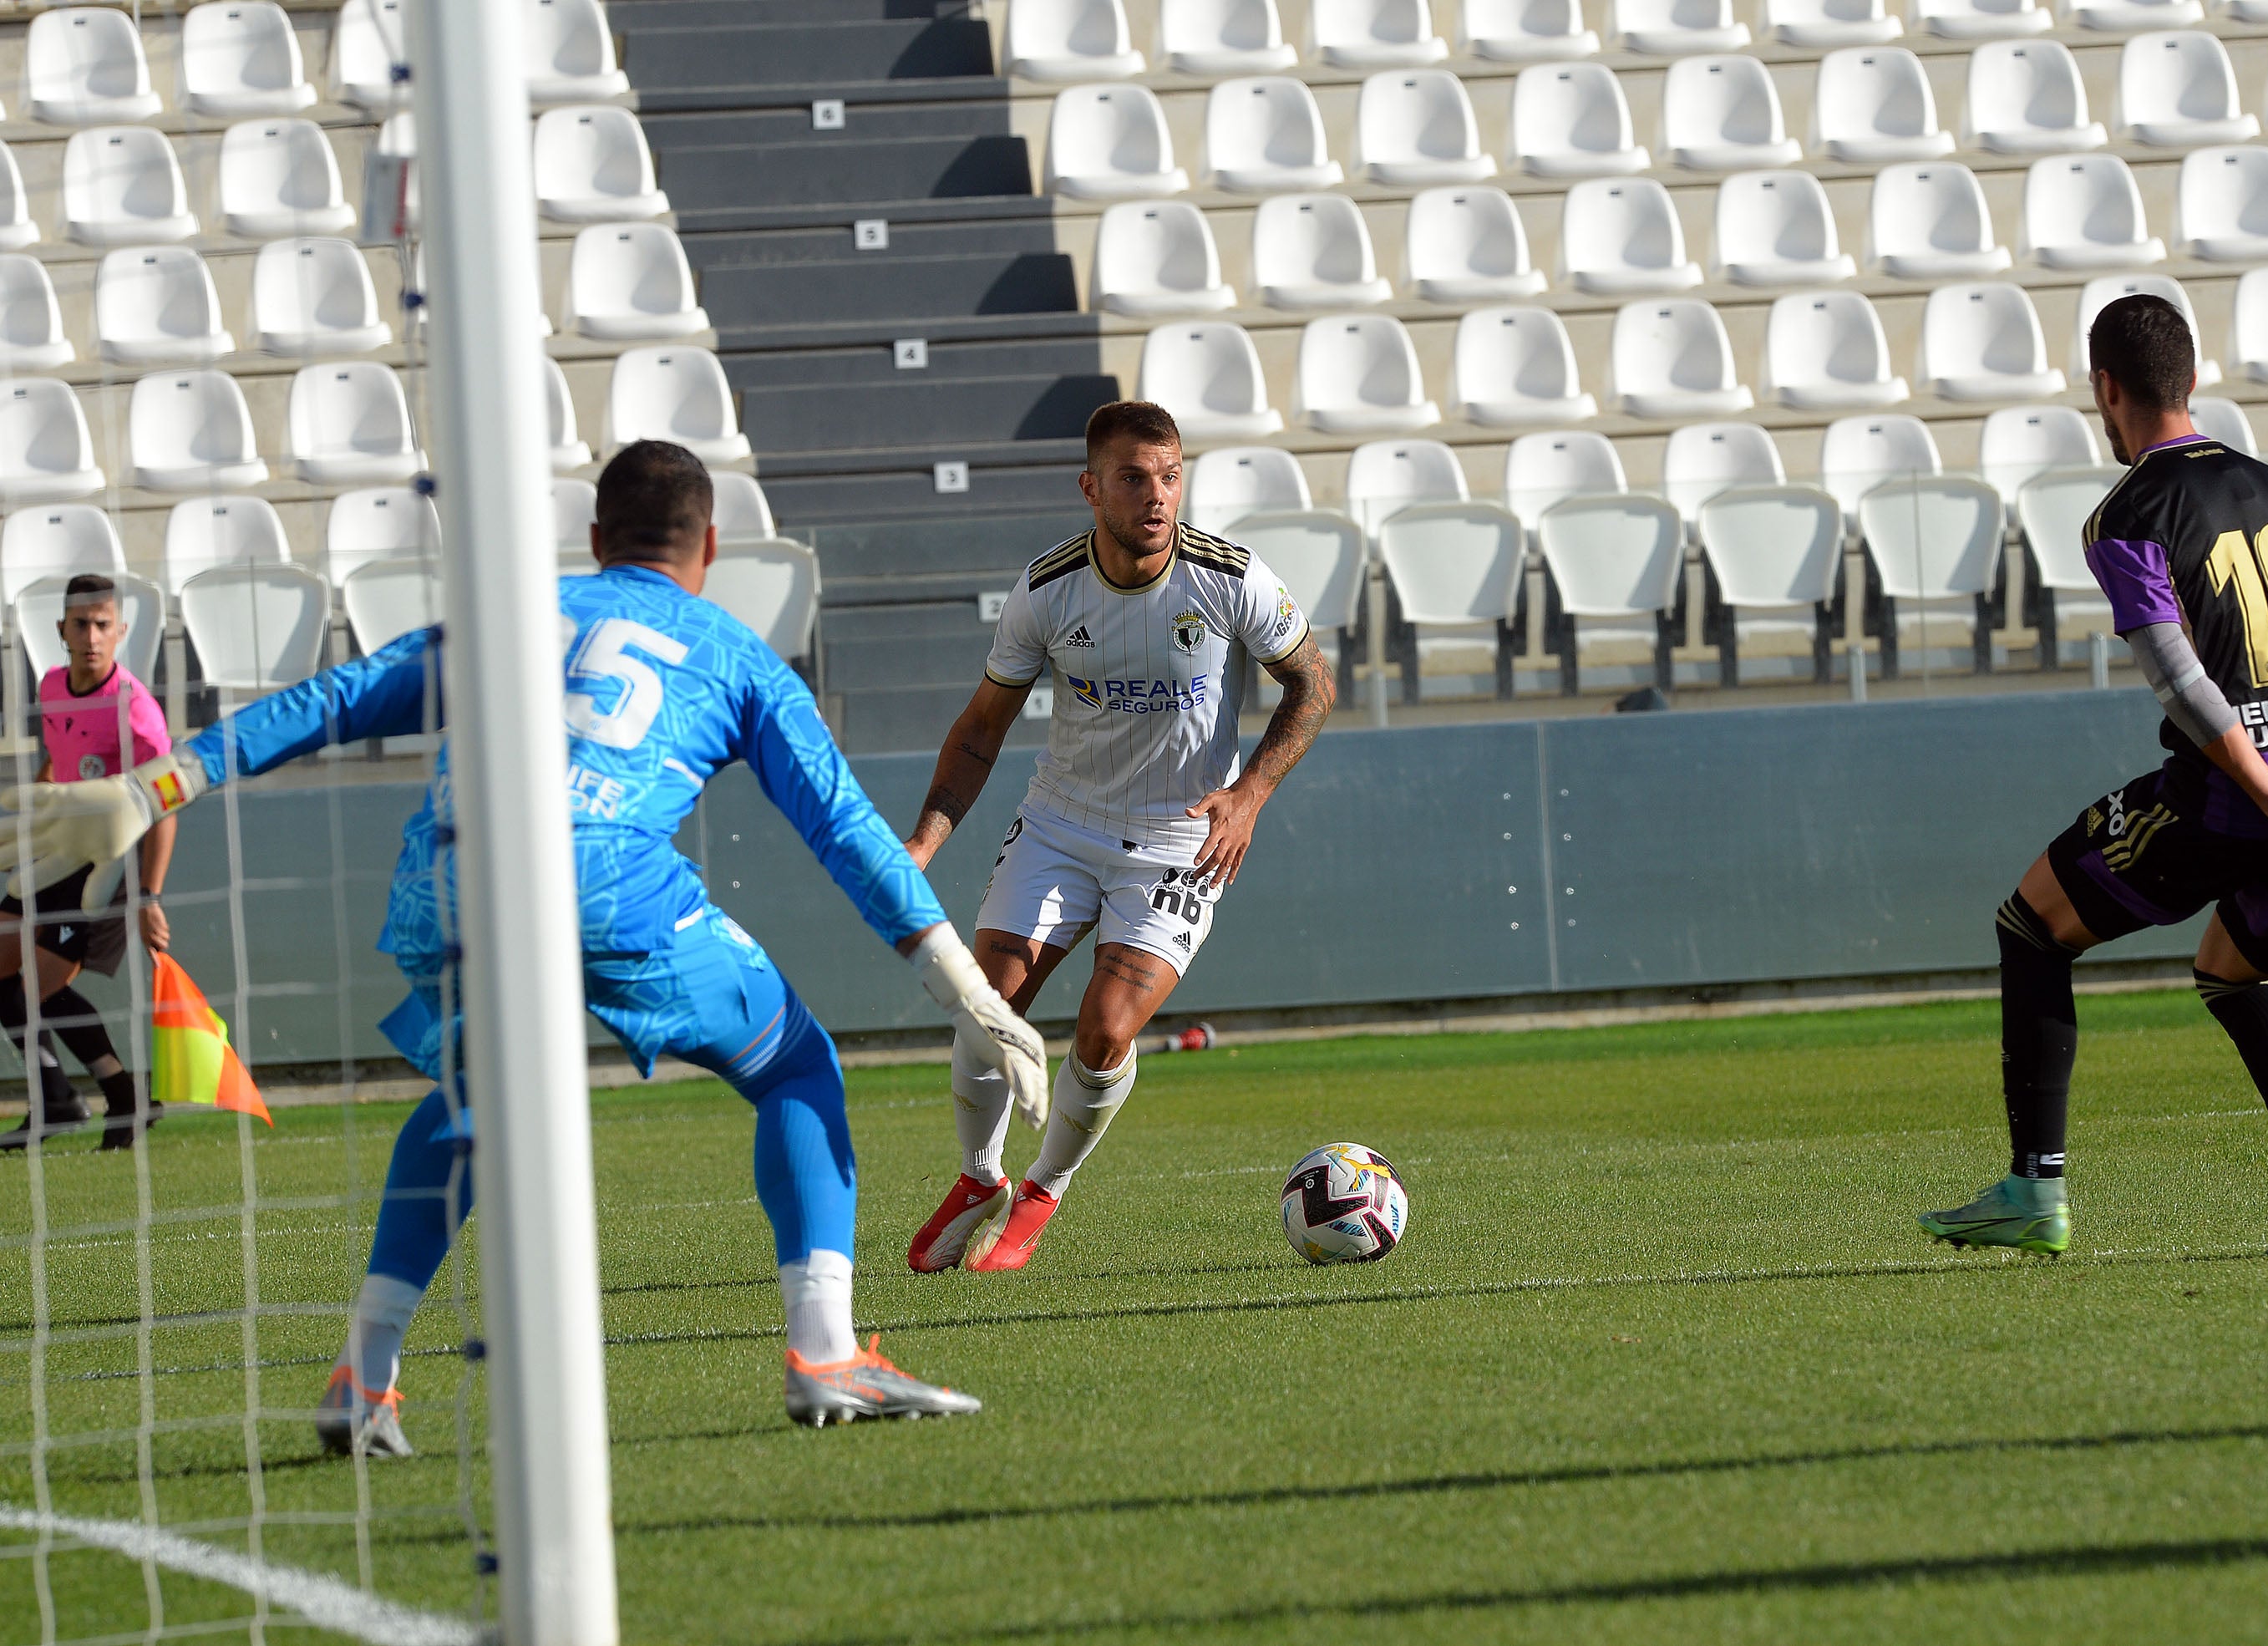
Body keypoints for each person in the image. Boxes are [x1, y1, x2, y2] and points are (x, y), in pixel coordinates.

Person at [5, 440, 1048, 1450]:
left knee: (471, 1098)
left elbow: (330, 701)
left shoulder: (508, 617)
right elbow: (847, 829)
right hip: (609, 882)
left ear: (596, 535)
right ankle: (823, 1352)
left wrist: (154, 785)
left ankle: (363, 1370)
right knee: (794, 1061)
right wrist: (965, 987)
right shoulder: (732, 653)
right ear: (711, 547)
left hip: (448, 877)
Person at [1917, 295, 2268, 1258]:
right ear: (2191, 378)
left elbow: (2181, 682)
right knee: (2228, 971)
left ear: (2105, 388)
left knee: (2030, 924)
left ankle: (2035, 1189)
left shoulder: (2125, 514)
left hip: (2232, 804)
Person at [901, 401, 1335, 1273]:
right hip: (1063, 819)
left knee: (1104, 1026)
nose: (1157, 494)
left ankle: (1040, 1191)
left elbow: (1313, 685)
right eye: (1135, 477)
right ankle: (978, 1175)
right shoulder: (1047, 588)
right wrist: (920, 847)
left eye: (1171, 474)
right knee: (989, 1000)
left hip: (1181, 835)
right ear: (1091, 488)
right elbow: (981, 729)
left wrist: (1249, 794)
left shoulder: (1231, 577)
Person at [0, 574, 175, 1152]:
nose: (93, 636)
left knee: (37, 990)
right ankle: (76, 1097)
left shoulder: (136, 710)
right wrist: (39, 810)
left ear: (121, 631)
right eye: (82, 624)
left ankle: (104, 1097)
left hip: (100, 871)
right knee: (9, 977)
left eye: (104, 625)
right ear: (61, 631)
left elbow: (165, 805)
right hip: (53, 856)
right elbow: (60, 754)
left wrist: (149, 895)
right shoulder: (52, 686)